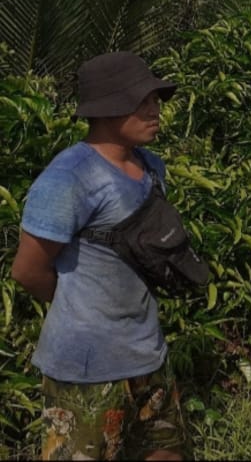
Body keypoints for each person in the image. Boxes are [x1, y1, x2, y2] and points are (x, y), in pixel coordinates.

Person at [11, 52, 190, 461]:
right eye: (141, 100)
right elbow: (27, 271)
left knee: (166, 452)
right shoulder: (68, 177)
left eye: (155, 99)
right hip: (86, 369)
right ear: (107, 107)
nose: (154, 109)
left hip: (149, 354)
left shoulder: (150, 167)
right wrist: (81, 310)